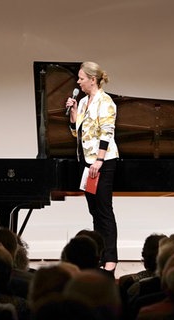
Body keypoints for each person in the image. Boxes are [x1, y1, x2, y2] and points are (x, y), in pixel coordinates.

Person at [66, 61, 119, 274]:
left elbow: (107, 133)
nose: (78, 82)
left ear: (92, 79)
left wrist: (99, 160)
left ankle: (111, 259)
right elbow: (76, 132)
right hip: (87, 162)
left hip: (103, 163)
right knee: (94, 210)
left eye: (81, 78)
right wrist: (73, 112)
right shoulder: (85, 101)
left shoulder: (105, 102)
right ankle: (100, 255)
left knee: (104, 210)